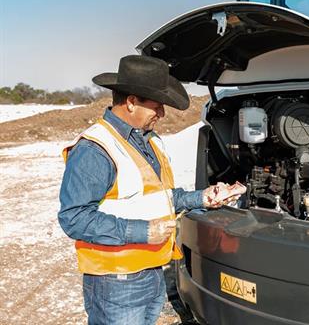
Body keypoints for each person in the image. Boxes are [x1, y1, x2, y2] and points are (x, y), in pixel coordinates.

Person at [58, 55, 241, 324]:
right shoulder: (95, 149)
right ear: (131, 102)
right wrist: (143, 231)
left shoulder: (149, 141)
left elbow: (161, 198)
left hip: (152, 270)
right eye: (157, 106)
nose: (163, 114)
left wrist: (202, 197)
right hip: (117, 280)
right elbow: (73, 218)